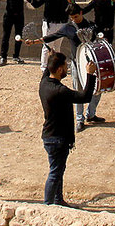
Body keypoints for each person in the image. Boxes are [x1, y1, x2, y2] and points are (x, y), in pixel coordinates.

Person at [28, 4, 101, 131]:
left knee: (97, 88)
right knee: (78, 90)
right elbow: (52, 36)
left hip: (92, 63)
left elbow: (98, 40)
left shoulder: (91, 25)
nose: (74, 19)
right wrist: (34, 42)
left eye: (76, 16)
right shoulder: (68, 28)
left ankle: (91, 114)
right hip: (76, 63)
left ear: (81, 12)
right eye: (71, 17)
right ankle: (80, 119)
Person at [40, 50, 97, 207]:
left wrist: (52, 57)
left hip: (50, 136)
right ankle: (48, 205)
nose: (67, 69)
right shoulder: (60, 91)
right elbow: (85, 97)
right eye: (65, 67)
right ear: (59, 70)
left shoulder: (44, 83)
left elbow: (46, 71)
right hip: (58, 138)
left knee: (58, 171)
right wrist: (90, 75)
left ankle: (58, 201)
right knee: (55, 172)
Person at [30, 0, 72, 69]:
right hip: (50, 24)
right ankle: (44, 66)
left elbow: (71, 7)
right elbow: (36, 4)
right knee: (47, 46)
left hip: (61, 24)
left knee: (57, 47)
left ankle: (56, 66)